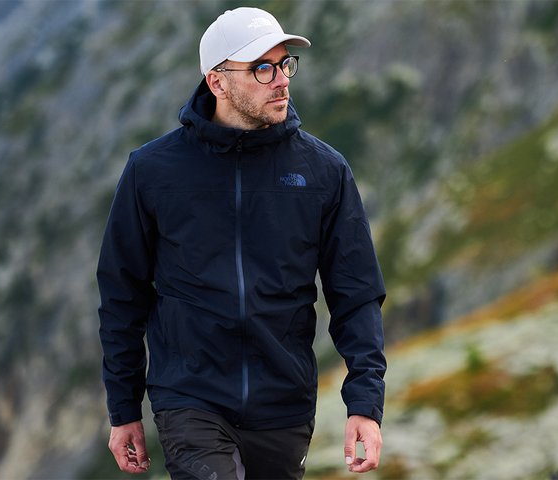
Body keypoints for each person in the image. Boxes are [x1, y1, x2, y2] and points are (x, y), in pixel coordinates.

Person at [97, 7, 386, 479]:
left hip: (285, 407)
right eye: (262, 68)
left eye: (285, 64)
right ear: (217, 82)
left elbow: (356, 293)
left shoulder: (324, 171)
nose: (282, 80)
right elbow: (121, 295)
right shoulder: (151, 172)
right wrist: (123, 408)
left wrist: (365, 405)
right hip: (190, 399)